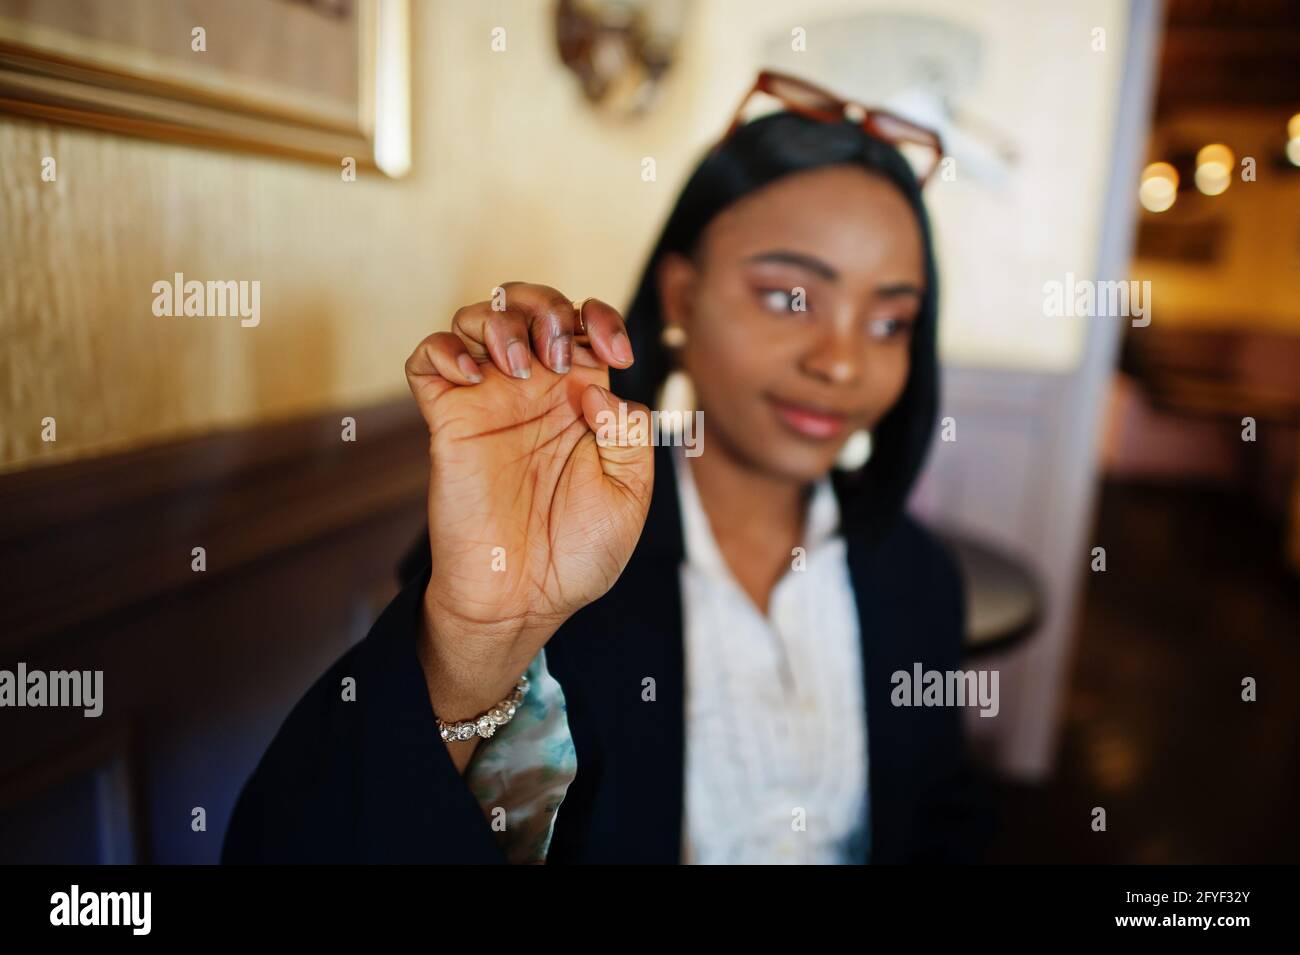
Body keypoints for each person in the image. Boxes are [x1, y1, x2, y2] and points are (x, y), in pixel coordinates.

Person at [223, 72, 992, 864]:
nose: (840, 361)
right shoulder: (559, 547)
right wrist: (480, 638)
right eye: (790, 297)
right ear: (683, 297)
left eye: (890, 319)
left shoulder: (919, 577)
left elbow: (938, 818)